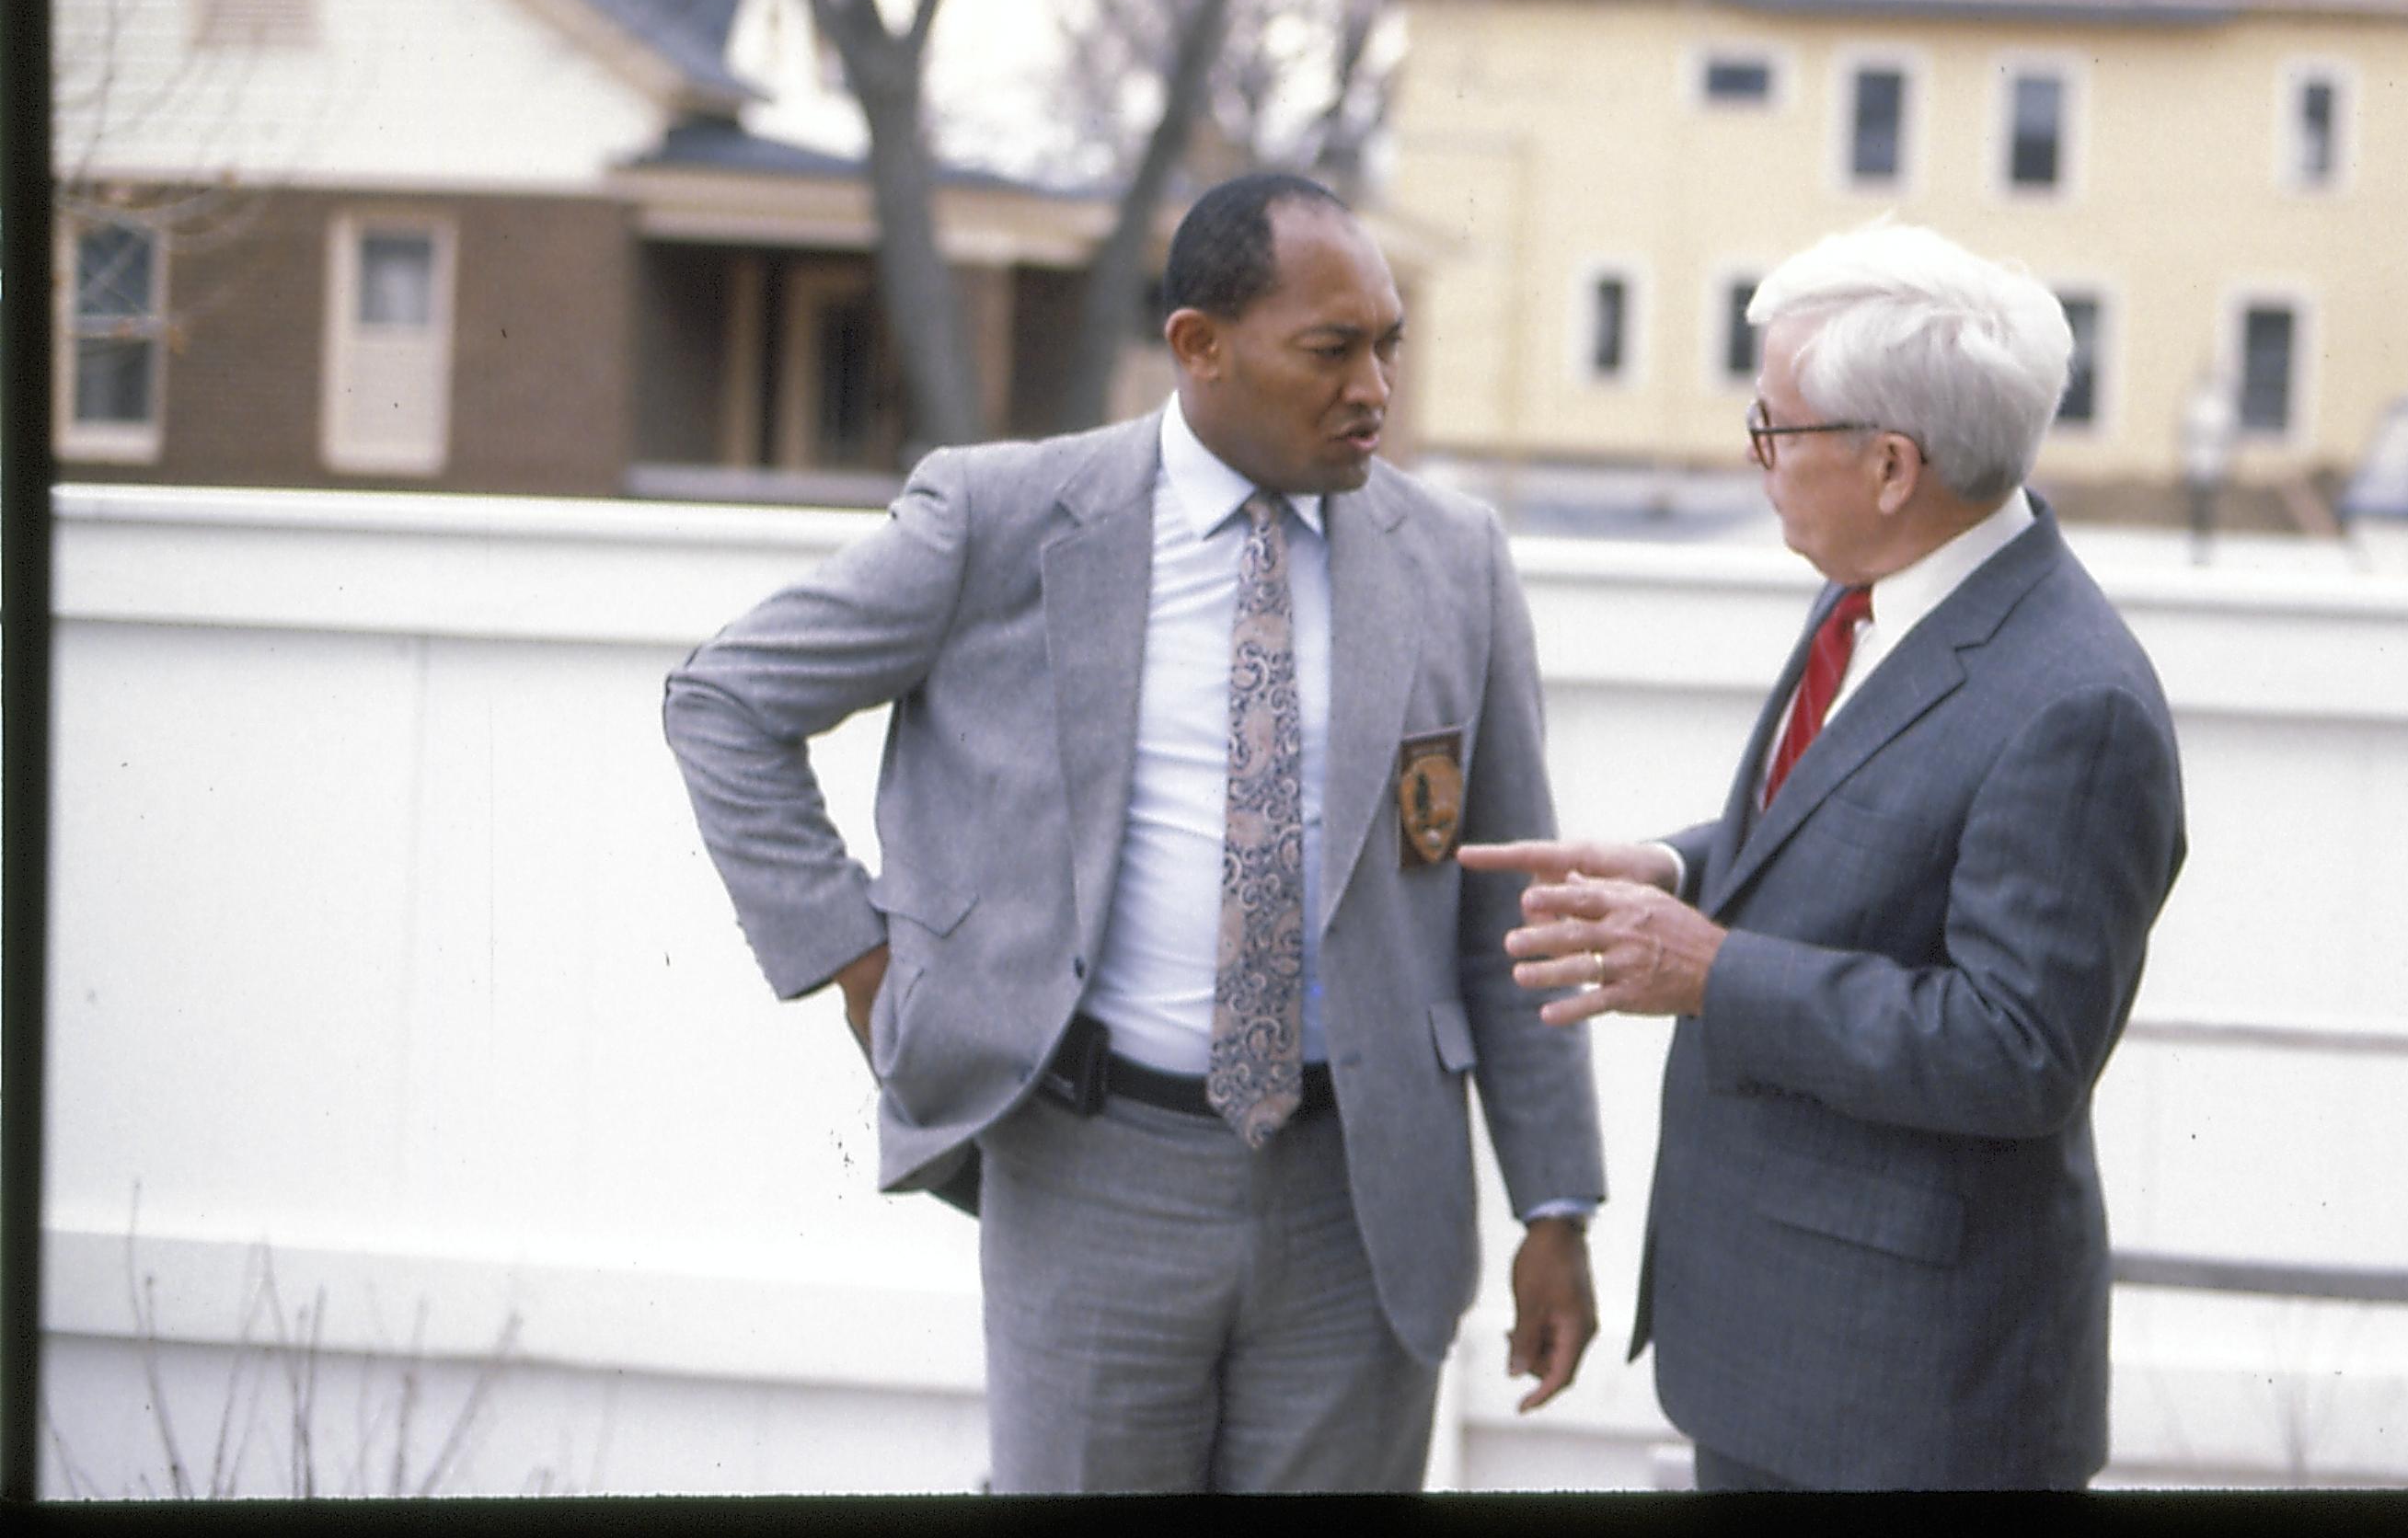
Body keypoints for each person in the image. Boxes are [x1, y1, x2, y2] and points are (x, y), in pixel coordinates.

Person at [662, 172, 1604, 1493]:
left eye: (1389, 344)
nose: (1374, 388)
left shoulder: (1452, 558)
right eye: (1331, 349)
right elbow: (725, 703)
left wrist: (1555, 1204)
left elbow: (1504, 899)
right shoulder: (1001, 520)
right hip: (1095, 1173)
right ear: (1199, 347)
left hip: (1364, 1200)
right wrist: (861, 961)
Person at [1466, 221, 2185, 1491]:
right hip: (1784, 1359)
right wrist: (1681, 870)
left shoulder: (2079, 703)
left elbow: (2018, 1051)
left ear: (1893, 464)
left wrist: (1712, 968)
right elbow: (1863, 834)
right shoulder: (1879, 589)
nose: (1755, 461)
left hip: (1911, 1407)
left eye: (1774, 429)